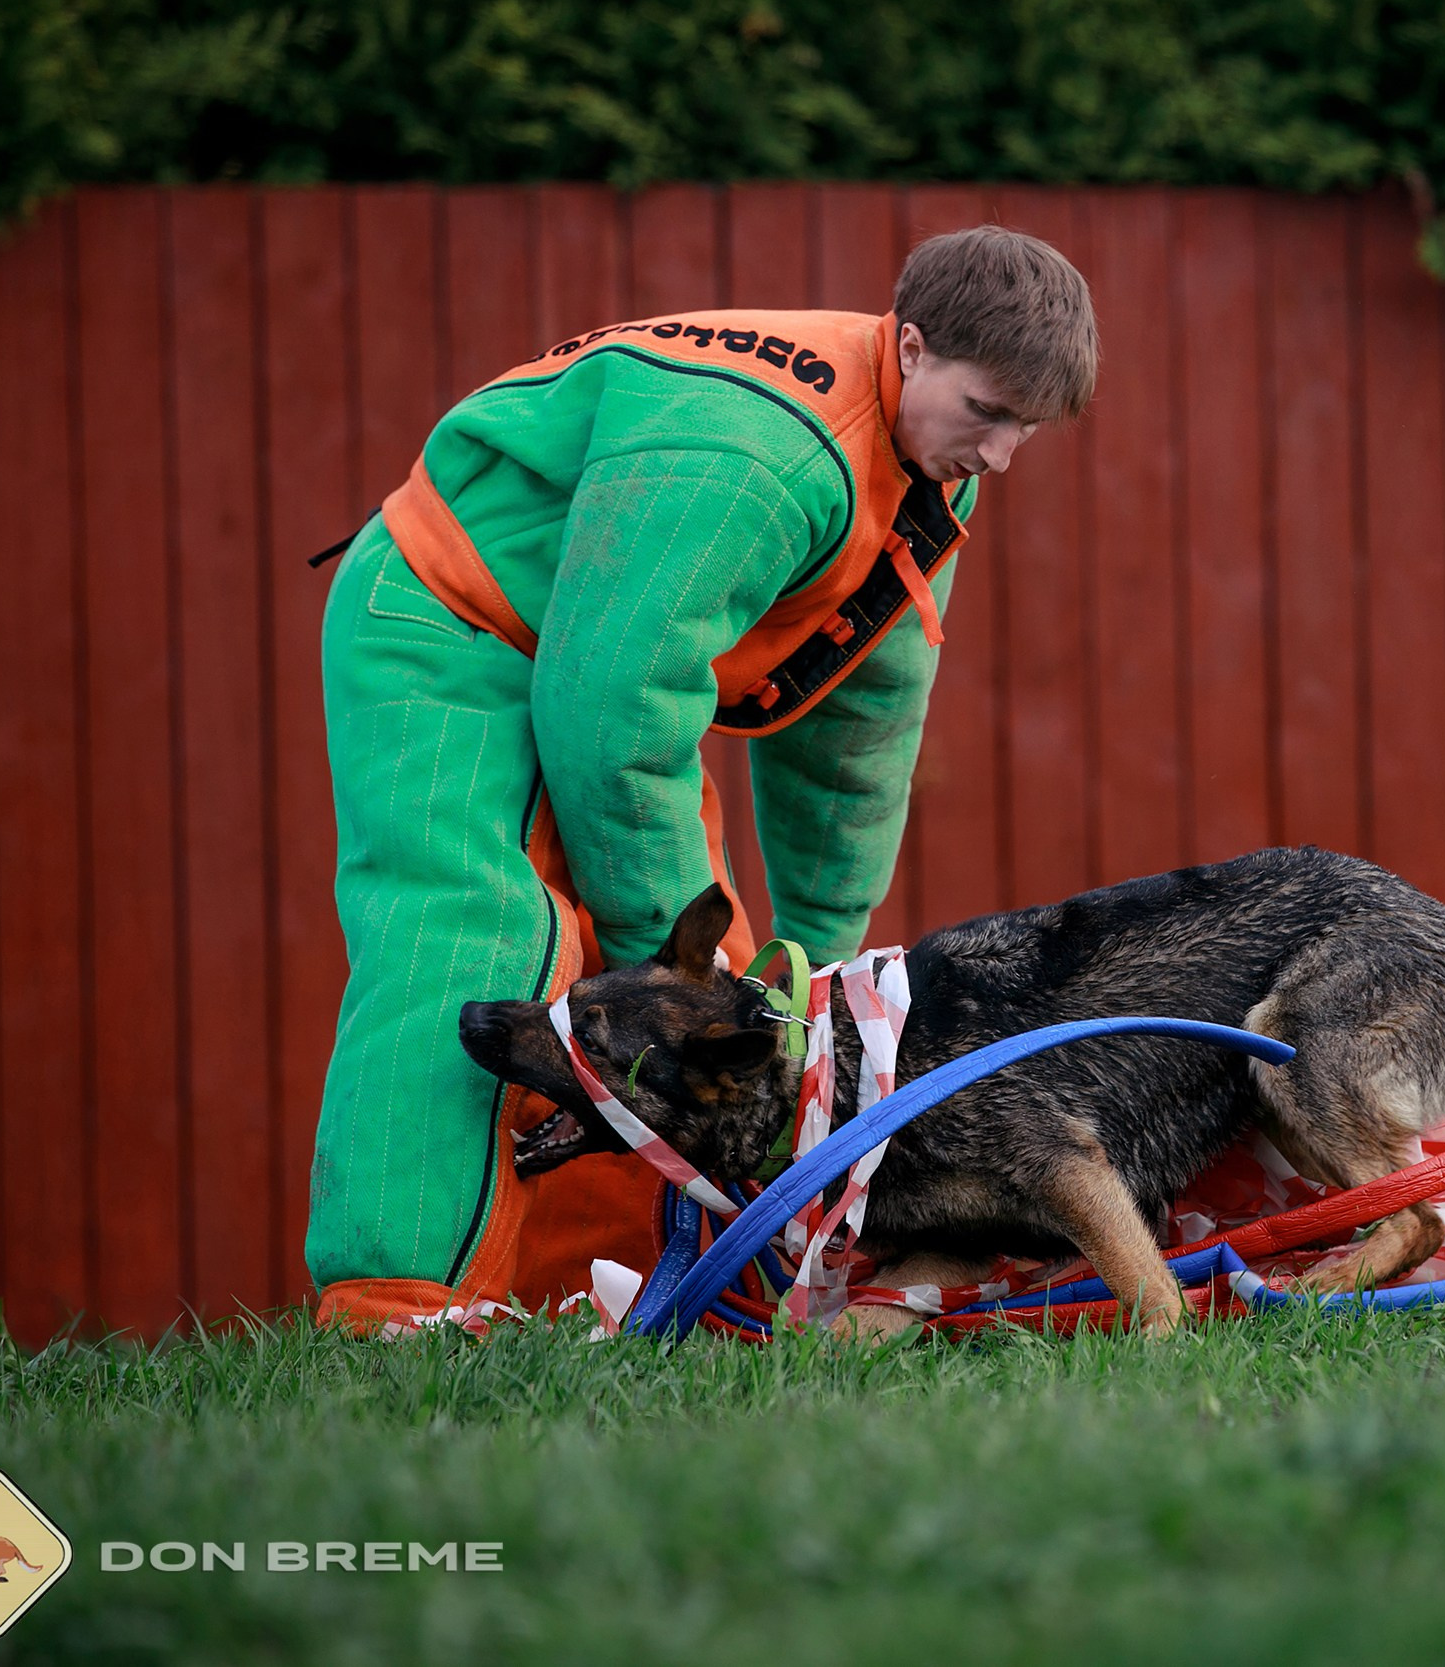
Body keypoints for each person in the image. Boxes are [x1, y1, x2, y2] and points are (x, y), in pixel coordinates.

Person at [306, 226, 1098, 1331]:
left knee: (698, 958)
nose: (1003, 455)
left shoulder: (927, 472)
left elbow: (860, 721)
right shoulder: (756, 462)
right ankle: (397, 1305)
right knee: (480, 928)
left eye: (1027, 428)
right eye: (988, 412)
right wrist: (674, 971)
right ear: (913, 348)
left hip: (592, 665)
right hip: (448, 625)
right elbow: (613, 715)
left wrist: (808, 970)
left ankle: (578, 1303)